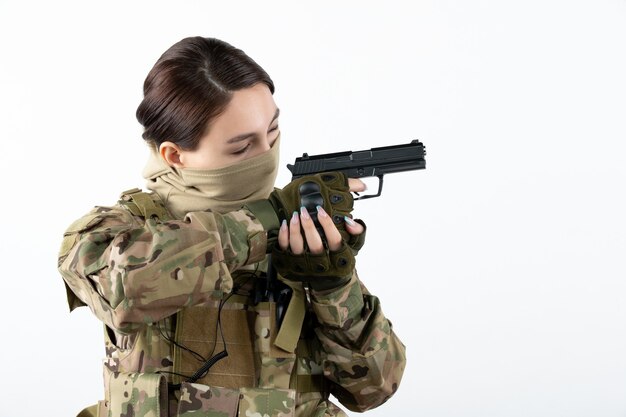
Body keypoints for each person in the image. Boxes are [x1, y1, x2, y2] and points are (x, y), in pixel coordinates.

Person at [58, 36, 406, 417]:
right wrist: (266, 218)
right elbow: (123, 287)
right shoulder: (116, 232)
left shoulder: (292, 227)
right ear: (174, 155)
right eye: (241, 148)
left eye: (272, 133)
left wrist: (333, 284)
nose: (266, 156)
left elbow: (373, 388)